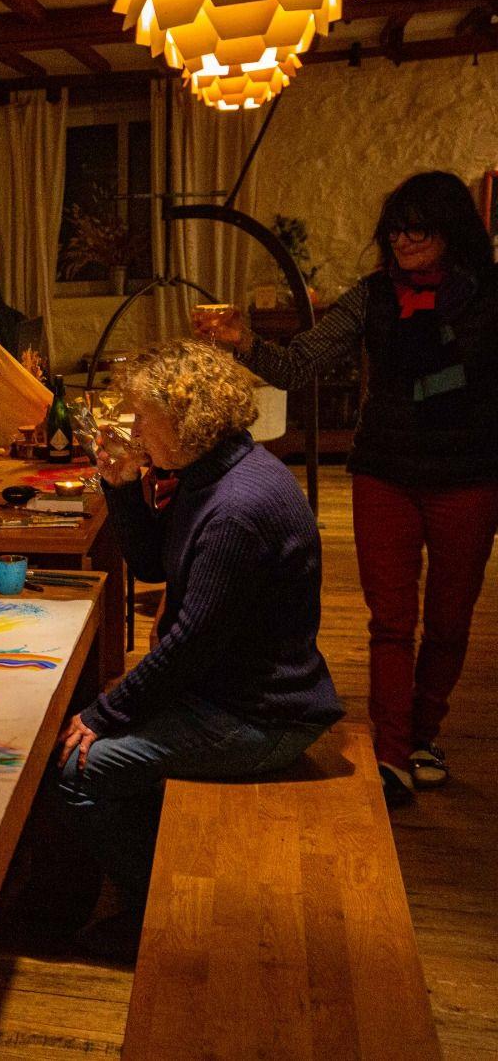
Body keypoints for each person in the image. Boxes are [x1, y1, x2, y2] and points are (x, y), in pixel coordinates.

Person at [195, 171, 498, 806]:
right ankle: (392, 753)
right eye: (396, 227)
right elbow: (298, 364)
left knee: (447, 623)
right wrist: (242, 342)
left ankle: (423, 735)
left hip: (469, 477)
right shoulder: (372, 297)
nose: (405, 238)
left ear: (451, 230)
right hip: (384, 473)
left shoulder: (488, 295)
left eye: (420, 226)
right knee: (391, 623)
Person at [57, 340, 343, 958]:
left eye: (144, 418)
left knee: (78, 767)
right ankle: (125, 872)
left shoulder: (237, 508)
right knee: (92, 730)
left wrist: (102, 714)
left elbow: (188, 648)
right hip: (232, 690)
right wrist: (124, 485)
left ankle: (158, 913)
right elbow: (156, 563)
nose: (134, 429)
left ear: (186, 421)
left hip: (262, 715)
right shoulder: (216, 469)